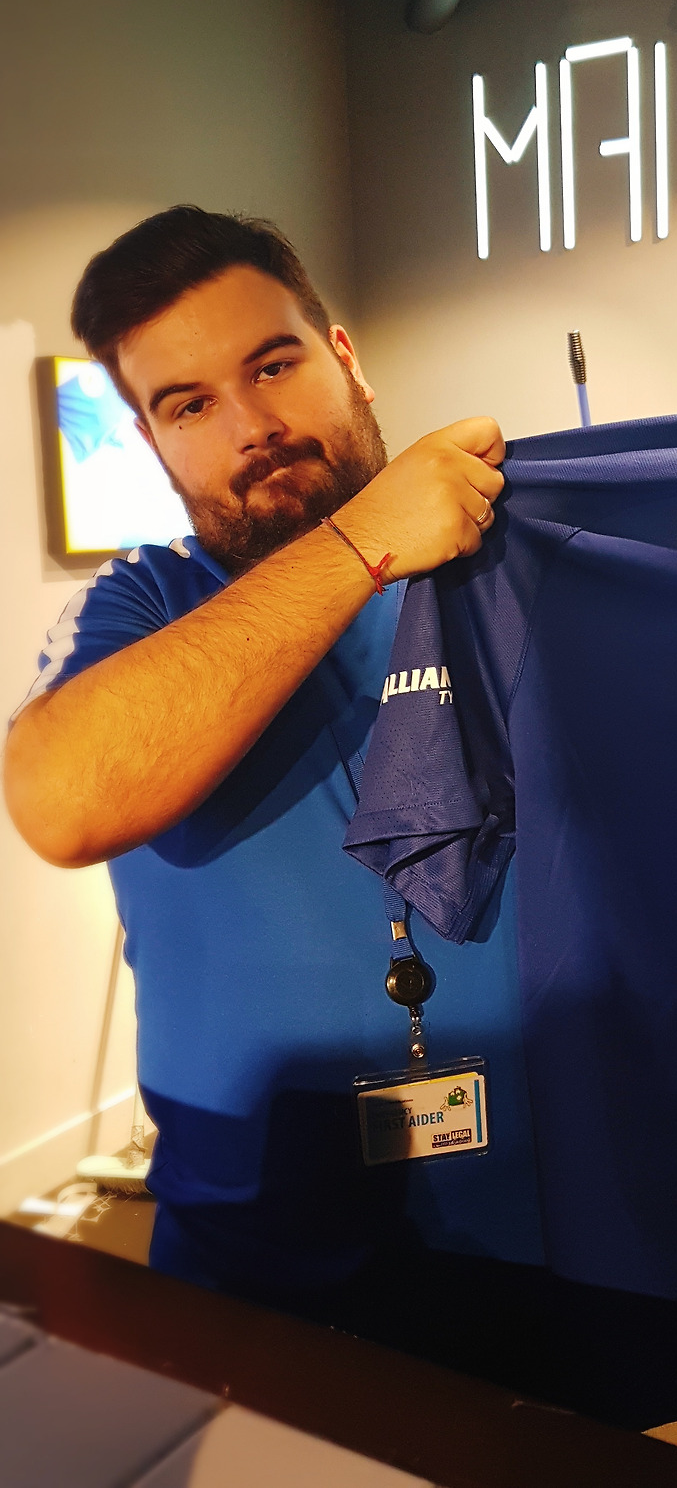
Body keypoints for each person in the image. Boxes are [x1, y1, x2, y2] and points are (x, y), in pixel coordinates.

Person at [3, 207, 548, 1372]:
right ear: (152, 442)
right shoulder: (142, 604)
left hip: (539, 1239)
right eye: (188, 404)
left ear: (343, 357)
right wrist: (360, 540)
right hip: (250, 1262)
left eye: (271, 365)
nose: (252, 427)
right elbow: (59, 797)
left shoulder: (513, 563)